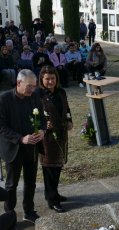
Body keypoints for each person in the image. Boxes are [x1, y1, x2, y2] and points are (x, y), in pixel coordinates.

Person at [0, 69, 46, 224]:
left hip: (31, 148)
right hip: (14, 148)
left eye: (34, 86)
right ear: (19, 83)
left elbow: (42, 118)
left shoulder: (34, 97)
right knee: (11, 184)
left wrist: (42, 131)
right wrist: (20, 138)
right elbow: (2, 127)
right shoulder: (4, 99)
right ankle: (9, 215)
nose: (33, 90)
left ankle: (29, 211)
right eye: (29, 86)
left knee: (31, 181)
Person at [35, 66, 73, 213]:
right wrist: (43, 124)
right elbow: (32, 114)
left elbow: (67, 109)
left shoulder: (61, 92)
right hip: (47, 137)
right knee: (49, 168)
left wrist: (70, 121)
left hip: (61, 134)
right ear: (42, 80)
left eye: (53, 78)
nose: (50, 81)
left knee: (57, 166)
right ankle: (52, 200)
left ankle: (53, 193)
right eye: (47, 79)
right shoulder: (38, 94)